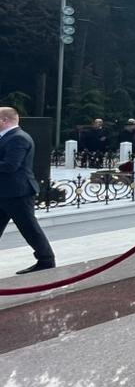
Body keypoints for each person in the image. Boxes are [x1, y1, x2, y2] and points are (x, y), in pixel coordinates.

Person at [0, 107, 56, 274]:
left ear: (4, 120)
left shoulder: (18, 138)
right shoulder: (7, 137)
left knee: (29, 228)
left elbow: (11, 165)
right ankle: (45, 259)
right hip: (5, 192)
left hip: (18, 193)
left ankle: (46, 260)